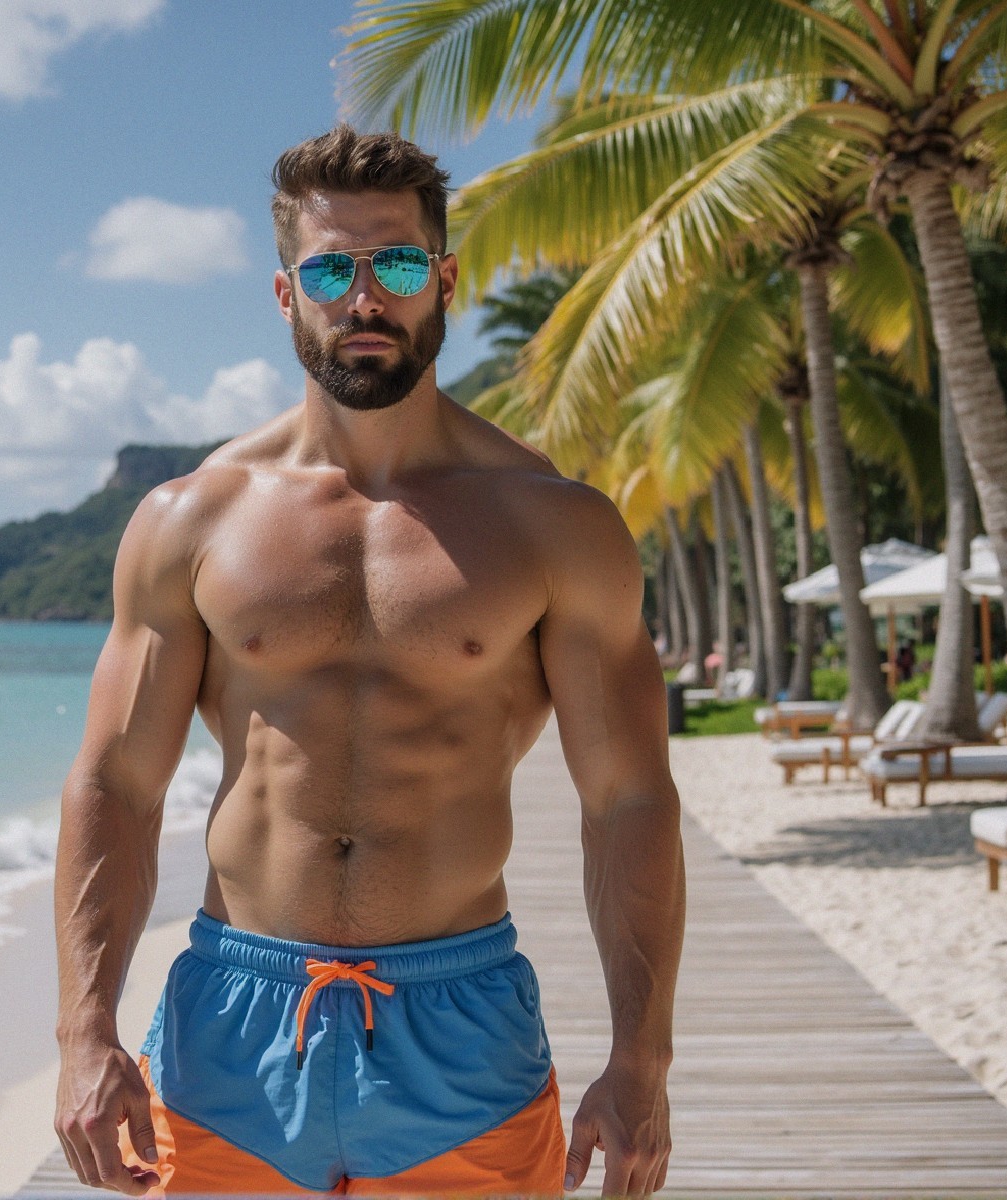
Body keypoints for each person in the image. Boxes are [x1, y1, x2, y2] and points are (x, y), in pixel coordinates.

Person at [54, 125, 685, 1197]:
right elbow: (117, 781)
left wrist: (641, 1059)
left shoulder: (554, 526)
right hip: (230, 1030)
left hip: (461, 1024)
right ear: (284, 292)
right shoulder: (191, 518)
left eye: (394, 264)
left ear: (444, 279)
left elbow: (627, 798)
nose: (364, 300)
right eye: (330, 269)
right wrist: (83, 1031)